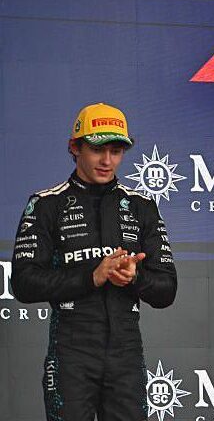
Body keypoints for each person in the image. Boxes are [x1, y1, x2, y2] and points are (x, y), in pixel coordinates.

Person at [11, 103, 177, 421]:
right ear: (75, 147)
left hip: (126, 352)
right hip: (71, 352)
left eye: (116, 151)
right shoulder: (46, 204)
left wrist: (135, 278)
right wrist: (92, 276)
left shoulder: (142, 206)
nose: (107, 161)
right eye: (98, 149)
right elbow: (23, 283)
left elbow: (167, 290)